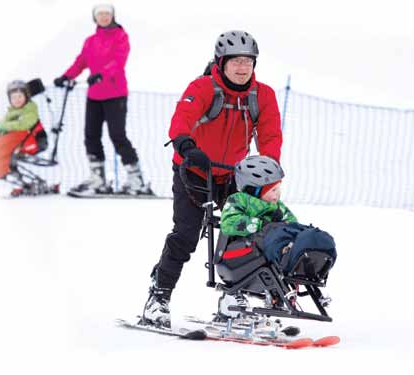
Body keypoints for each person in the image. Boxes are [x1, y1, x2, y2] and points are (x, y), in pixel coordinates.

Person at [141, 30, 283, 328]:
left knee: (246, 231)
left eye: (248, 61)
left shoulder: (263, 95)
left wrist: (268, 168)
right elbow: (183, 117)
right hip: (194, 171)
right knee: (186, 235)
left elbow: (270, 135)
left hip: (236, 175)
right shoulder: (204, 87)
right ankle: (159, 297)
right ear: (221, 62)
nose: (243, 68)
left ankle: (234, 296)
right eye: (236, 61)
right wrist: (186, 145)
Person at [53, 4, 150, 195]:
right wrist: (66, 76)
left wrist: (100, 74)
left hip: (115, 94)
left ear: (112, 16)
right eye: (100, 14)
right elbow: (81, 61)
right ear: (95, 18)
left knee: (117, 136)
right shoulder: (90, 41)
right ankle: (98, 179)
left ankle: (136, 179)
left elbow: (118, 60)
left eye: (107, 14)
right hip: (94, 95)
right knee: (91, 135)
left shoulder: (121, 36)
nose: (104, 17)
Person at [220, 155, 297, 238]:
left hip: (273, 245)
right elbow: (228, 223)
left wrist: (283, 225)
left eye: (279, 188)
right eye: (273, 190)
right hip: (247, 246)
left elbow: (292, 222)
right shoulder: (240, 200)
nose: (278, 193)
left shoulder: (278, 205)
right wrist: (261, 224)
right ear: (256, 190)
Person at [0, 80, 41, 181]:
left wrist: (5, 126)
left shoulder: (30, 110)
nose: (17, 100)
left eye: (20, 96)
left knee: (3, 145)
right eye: (13, 97)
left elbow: (23, 125)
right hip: (17, 139)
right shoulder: (11, 112)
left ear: (26, 97)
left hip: (30, 139)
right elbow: (3, 125)